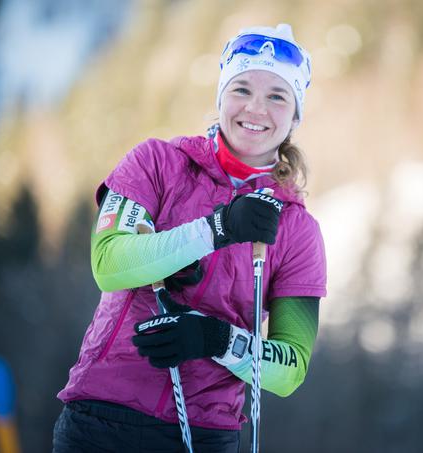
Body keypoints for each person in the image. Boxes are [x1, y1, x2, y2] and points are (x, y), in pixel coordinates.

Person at [52, 24, 326, 453]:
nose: (256, 108)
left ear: (295, 116)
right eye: (241, 89)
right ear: (220, 98)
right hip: (101, 420)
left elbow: (289, 370)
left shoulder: (298, 230)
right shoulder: (157, 164)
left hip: (203, 435)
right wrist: (215, 230)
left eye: (277, 95)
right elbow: (109, 264)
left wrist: (215, 339)